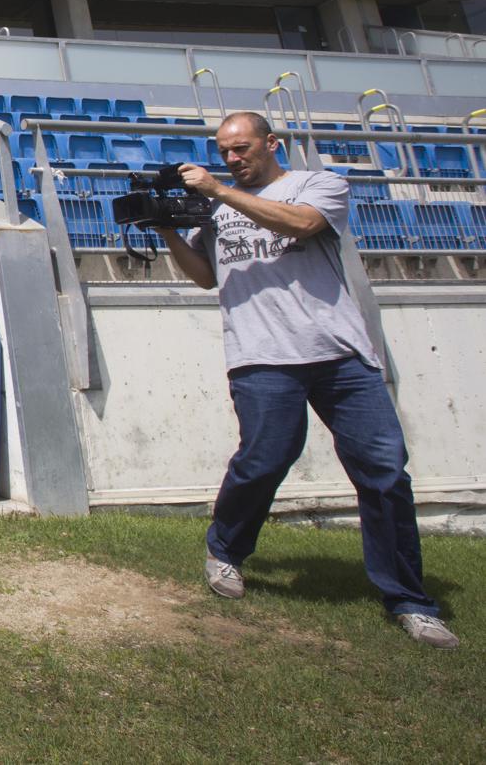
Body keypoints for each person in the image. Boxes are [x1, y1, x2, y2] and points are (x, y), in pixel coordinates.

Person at [156, 111, 458, 650]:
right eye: (224, 151)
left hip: (341, 355)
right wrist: (166, 232)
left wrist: (220, 190)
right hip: (261, 354)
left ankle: (412, 602)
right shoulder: (218, 210)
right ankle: (225, 549)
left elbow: (300, 224)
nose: (232, 158)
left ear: (273, 143)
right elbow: (205, 276)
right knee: (265, 459)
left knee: (385, 472)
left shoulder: (318, 184)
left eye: (242, 148)